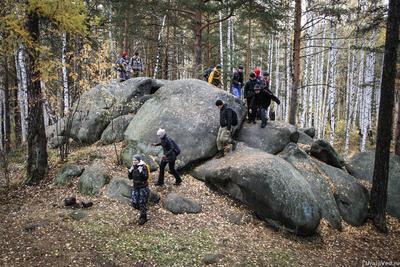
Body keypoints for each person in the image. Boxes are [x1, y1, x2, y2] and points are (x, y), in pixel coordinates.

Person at [128, 154, 150, 225]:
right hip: (135, 187)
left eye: (135, 160)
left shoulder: (143, 167)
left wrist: (141, 171)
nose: (134, 161)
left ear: (139, 160)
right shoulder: (133, 167)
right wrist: (130, 171)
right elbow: (130, 177)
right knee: (134, 203)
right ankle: (143, 210)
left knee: (142, 202)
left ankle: (143, 218)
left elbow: (146, 177)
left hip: (143, 187)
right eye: (133, 160)